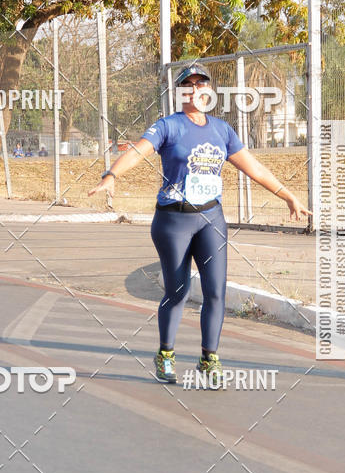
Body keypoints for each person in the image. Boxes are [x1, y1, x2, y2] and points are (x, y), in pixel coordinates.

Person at [88, 62, 310, 385]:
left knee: (215, 292)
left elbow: (255, 169)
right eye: (188, 84)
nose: (196, 89)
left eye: (201, 84)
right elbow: (137, 151)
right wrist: (111, 175)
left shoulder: (222, 130)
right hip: (172, 221)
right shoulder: (168, 126)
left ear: (210, 90)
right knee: (178, 292)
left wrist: (288, 196)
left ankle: (210, 358)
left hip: (211, 220)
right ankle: (165, 353)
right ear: (180, 93)